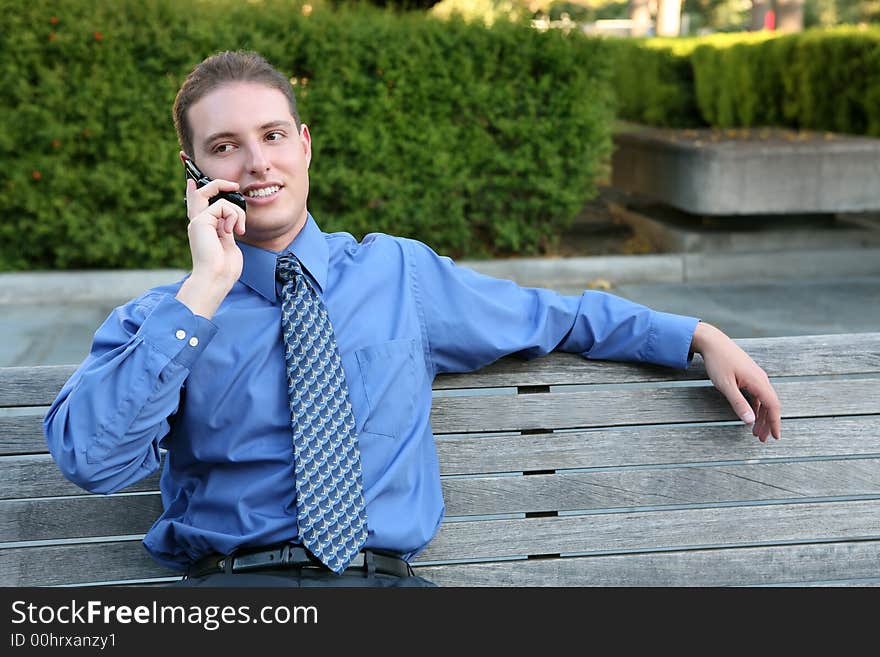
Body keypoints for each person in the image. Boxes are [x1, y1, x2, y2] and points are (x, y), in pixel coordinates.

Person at [44, 50, 781, 588]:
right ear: (195, 173)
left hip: (388, 588)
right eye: (226, 146)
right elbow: (93, 459)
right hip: (239, 593)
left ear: (304, 146)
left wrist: (694, 335)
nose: (258, 163)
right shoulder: (165, 318)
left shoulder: (400, 274)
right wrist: (205, 290)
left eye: (272, 135)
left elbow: (555, 316)